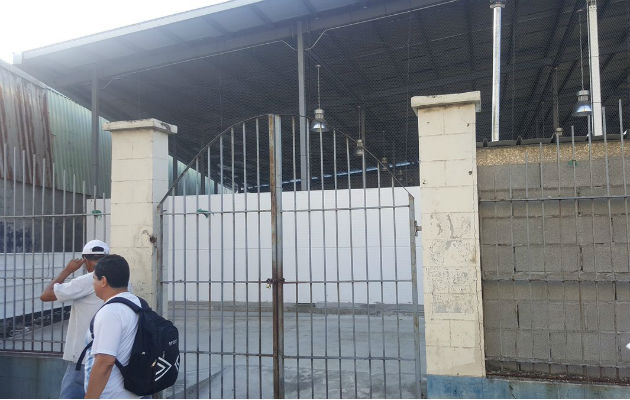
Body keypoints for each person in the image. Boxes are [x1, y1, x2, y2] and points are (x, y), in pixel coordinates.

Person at [40, 239, 109, 399]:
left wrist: (67, 270)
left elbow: (46, 295)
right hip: (108, 355)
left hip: (82, 356)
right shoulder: (123, 280)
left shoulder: (89, 280)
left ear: (84, 260)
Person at [84, 254, 141, 399]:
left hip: (112, 394)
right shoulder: (137, 303)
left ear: (103, 281)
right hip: (134, 392)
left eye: (94, 279)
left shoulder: (111, 312)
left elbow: (105, 361)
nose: (93, 284)